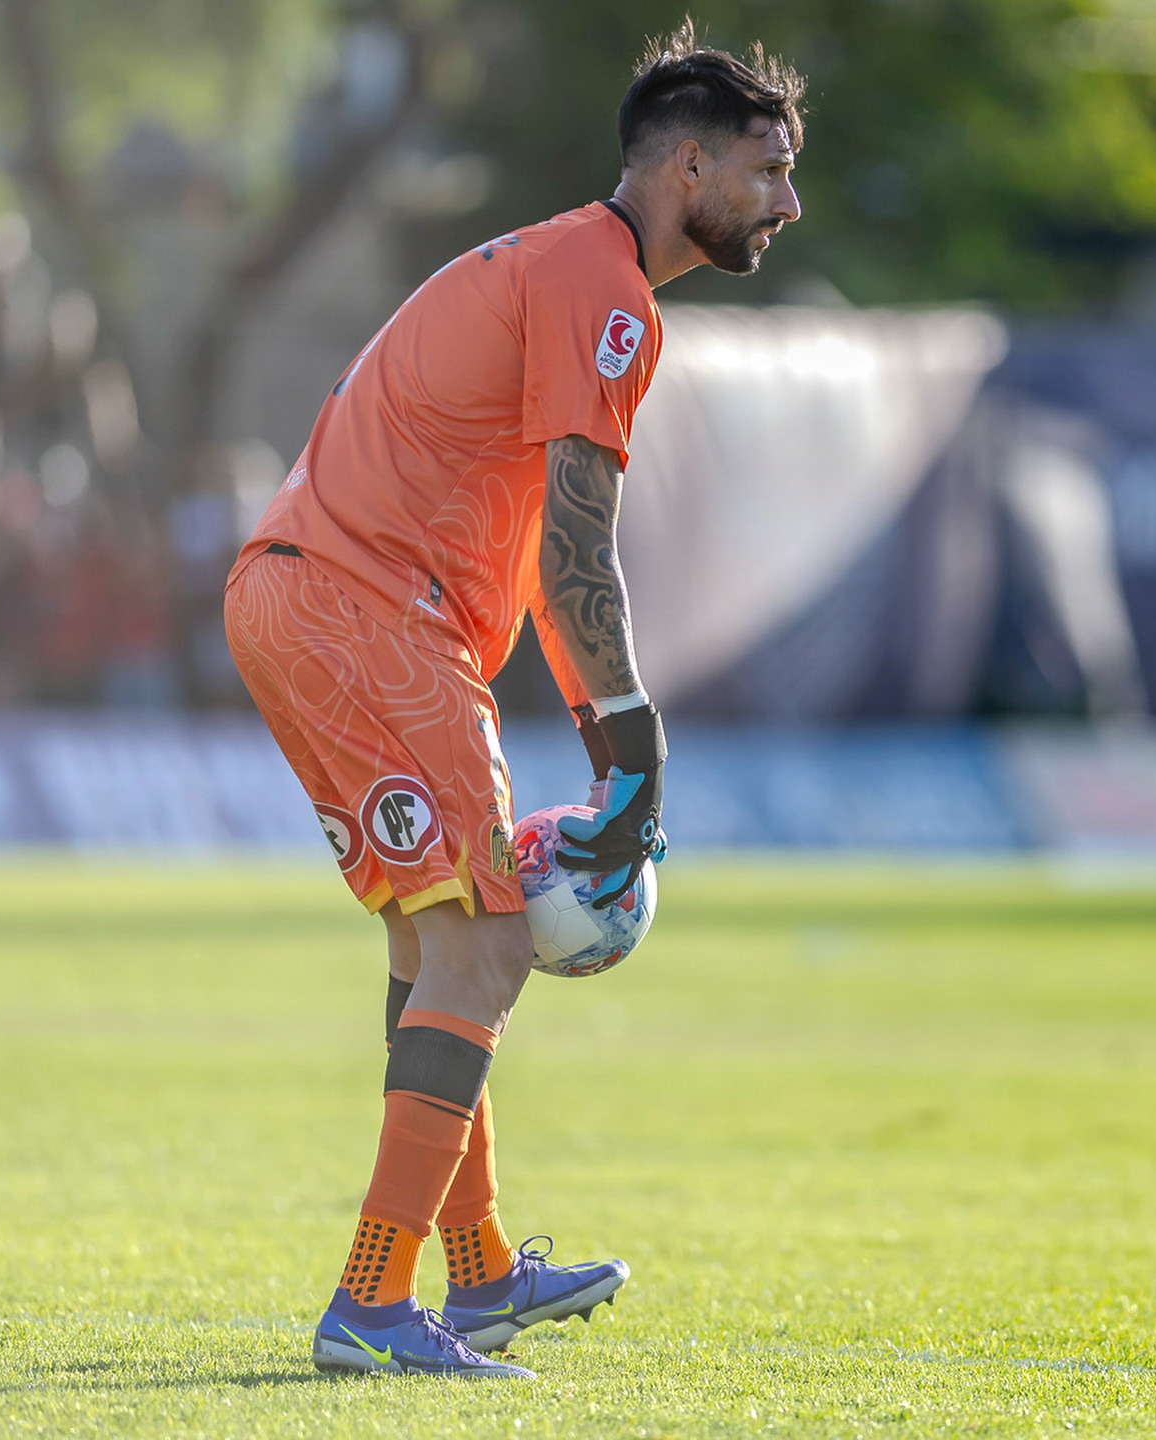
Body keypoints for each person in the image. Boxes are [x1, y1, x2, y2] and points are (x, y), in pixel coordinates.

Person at [223, 24, 804, 1378]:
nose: (786, 204)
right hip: (367, 611)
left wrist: (611, 742)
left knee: (438, 954)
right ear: (689, 163)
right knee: (484, 953)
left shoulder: (568, 269)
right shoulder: (606, 288)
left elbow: (551, 561)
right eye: (770, 173)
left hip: (319, 599)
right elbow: (580, 552)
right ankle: (371, 1305)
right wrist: (638, 750)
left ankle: (477, 1276)